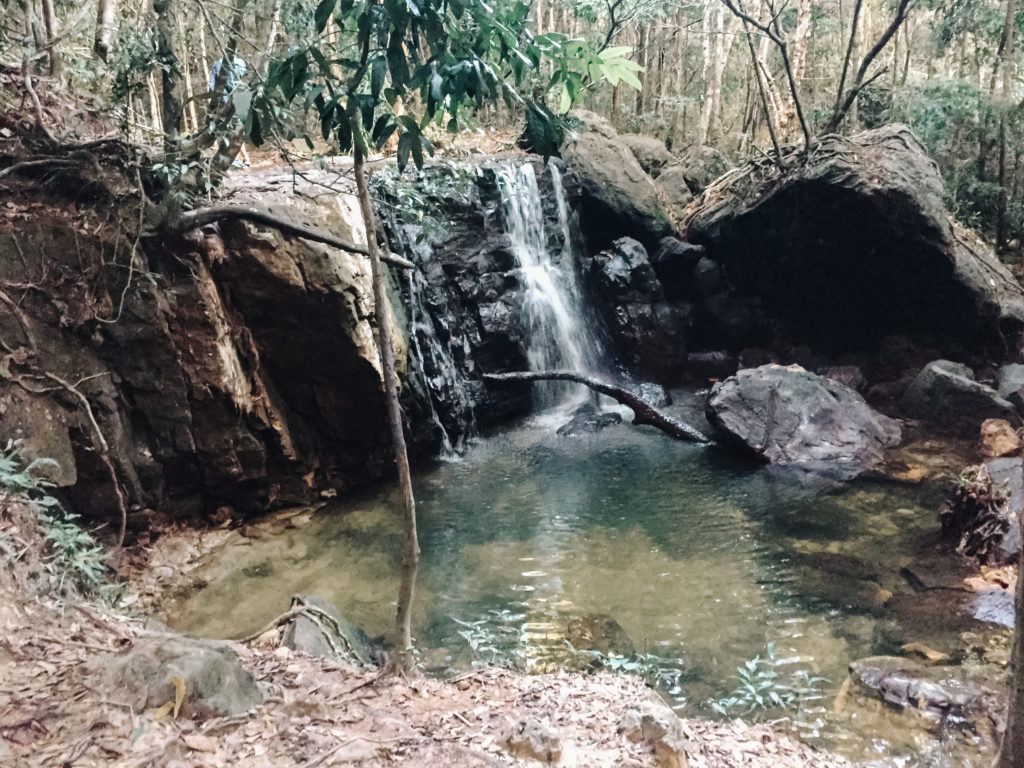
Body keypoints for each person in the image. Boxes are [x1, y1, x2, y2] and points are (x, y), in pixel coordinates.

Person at [209, 56, 251, 165]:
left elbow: (212, 85)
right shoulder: (241, 62)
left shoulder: (218, 64)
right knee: (239, 129)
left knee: (226, 129)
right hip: (241, 97)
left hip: (225, 101)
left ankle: (235, 158)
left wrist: (214, 103)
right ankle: (244, 158)